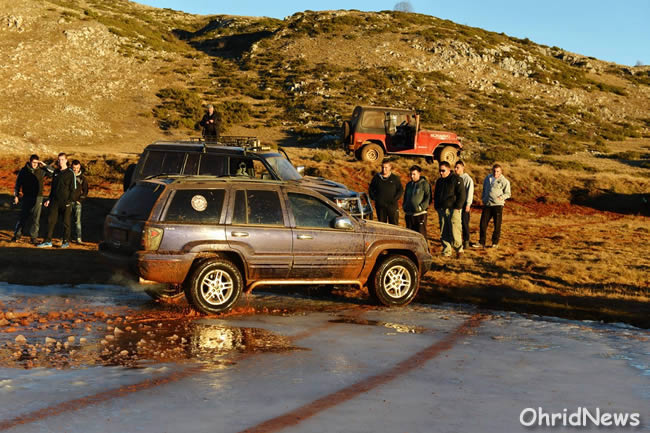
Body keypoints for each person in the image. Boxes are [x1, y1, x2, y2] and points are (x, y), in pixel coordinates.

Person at [37, 153, 76, 248]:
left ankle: (65, 241)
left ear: (66, 160)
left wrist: (70, 201)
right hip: (54, 201)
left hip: (66, 202)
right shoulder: (56, 172)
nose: (60, 161)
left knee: (66, 222)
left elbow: (73, 189)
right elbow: (53, 188)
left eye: (62, 159)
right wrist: (49, 199)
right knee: (50, 221)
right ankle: (48, 241)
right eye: (59, 160)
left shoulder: (70, 173)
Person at [474, 163, 511, 249]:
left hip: (497, 205)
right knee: (483, 224)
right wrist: (484, 198)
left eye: (497, 171)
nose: (495, 173)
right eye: (494, 171)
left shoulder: (504, 181)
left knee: (497, 225)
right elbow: (484, 189)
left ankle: (495, 243)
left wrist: (501, 197)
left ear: (501, 172)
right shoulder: (488, 178)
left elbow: (508, 193)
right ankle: (481, 242)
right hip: (487, 204)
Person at [12, 154, 47, 244]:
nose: (35, 164)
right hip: (27, 196)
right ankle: (17, 235)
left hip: (38, 197)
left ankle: (33, 237)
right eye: (33, 162)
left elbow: (53, 172)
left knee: (36, 218)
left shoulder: (41, 171)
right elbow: (18, 184)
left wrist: (44, 165)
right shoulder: (24, 171)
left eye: (37, 163)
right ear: (30, 161)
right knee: (23, 217)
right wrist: (16, 195)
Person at [433, 161, 466, 257]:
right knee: (444, 230)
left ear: (448, 170)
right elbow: (436, 194)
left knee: (455, 230)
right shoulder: (439, 181)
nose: (441, 173)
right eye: (440, 171)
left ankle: (459, 250)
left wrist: (457, 207)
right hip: (442, 209)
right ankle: (446, 250)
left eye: (443, 171)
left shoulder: (456, 179)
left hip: (453, 209)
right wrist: (437, 206)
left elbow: (462, 195)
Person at [403, 165, 431, 238]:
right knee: (410, 236)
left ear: (419, 173)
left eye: (414, 174)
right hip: (409, 214)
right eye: (411, 174)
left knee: (421, 236)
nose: (412, 176)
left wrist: (421, 207)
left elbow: (428, 197)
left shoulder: (424, 184)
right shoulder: (409, 185)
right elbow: (405, 196)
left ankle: (424, 246)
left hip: (420, 215)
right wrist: (405, 206)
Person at [454, 160, 475, 250]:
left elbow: (470, 192)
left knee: (464, 223)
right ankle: (456, 240)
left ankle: (466, 240)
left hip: (464, 204)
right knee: (455, 223)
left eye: (457, 167)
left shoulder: (467, 179)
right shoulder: (454, 178)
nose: (455, 169)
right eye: (455, 167)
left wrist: (468, 204)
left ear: (463, 168)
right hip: (455, 203)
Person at [70, 160, 89, 243]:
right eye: (74, 168)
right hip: (68, 201)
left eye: (77, 168)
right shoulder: (68, 176)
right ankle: (66, 237)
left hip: (77, 202)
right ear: (71, 167)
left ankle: (78, 237)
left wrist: (80, 200)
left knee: (77, 221)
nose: (75, 170)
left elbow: (85, 191)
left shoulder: (82, 178)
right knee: (67, 220)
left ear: (80, 167)